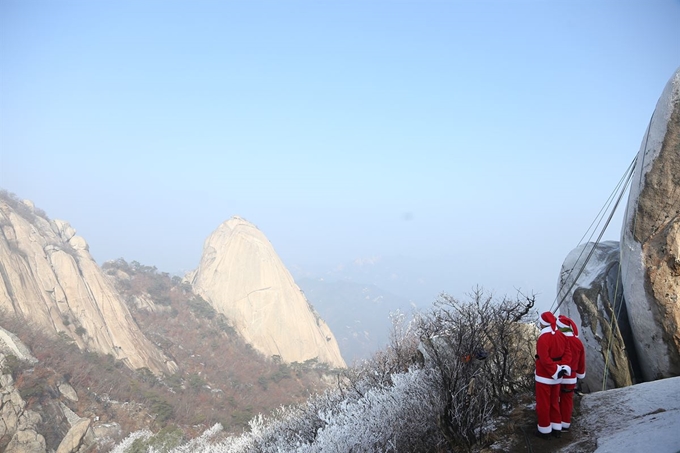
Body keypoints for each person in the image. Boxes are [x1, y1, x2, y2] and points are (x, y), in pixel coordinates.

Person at [534, 311, 572, 439]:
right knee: (555, 402)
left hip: (545, 376)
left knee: (543, 403)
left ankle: (545, 430)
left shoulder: (543, 338)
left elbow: (544, 359)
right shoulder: (561, 335)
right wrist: (562, 368)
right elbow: (567, 353)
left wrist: (554, 370)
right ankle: (557, 428)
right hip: (558, 375)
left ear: (543, 323)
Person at [557, 314, 586, 432]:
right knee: (567, 399)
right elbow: (581, 361)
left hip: (557, 375)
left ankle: (555, 423)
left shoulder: (558, 341)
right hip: (572, 376)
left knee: (555, 400)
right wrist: (580, 373)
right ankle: (565, 423)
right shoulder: (577, 341)